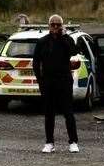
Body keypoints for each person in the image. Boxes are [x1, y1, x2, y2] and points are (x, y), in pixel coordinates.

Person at [33, 15, 80, 153]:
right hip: (48, 82)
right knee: (49, 113)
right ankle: (49, 142)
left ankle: (73, 142)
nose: (55, 27)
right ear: (49, 26)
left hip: (64, 81)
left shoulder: (66, 40)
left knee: (68, 112)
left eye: (58, 25)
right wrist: (40, 80)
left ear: (61, 26)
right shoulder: (42, 42)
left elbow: (73, 51)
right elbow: (36, 62)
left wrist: (65, 35)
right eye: (52, 24)